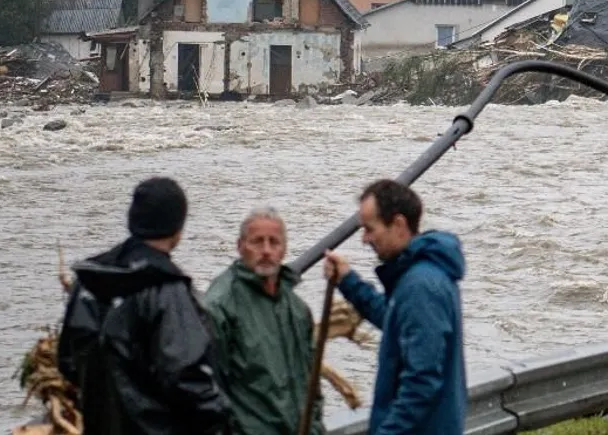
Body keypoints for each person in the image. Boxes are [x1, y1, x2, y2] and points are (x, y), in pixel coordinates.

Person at [56, 177, 230, 435]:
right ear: (178, 228)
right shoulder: (166, 289)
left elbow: (67, 362)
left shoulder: (88, 281)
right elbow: (189, 379)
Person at [323, 179, 467, 435]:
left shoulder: (420, 287)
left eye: (370, 229)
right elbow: (394, 320)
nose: (364, 239)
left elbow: (422, 381)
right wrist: (348, 281)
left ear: (398, 224)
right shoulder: (421, 274)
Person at [204, 208, 324, 435]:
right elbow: (208, 392)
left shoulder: (297, 310)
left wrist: (315, 426)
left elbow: (312, 384)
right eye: (257, 242)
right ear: (240, 246)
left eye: (274, 242)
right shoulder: (219, 307)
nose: (266, 251)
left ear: (284, 249)